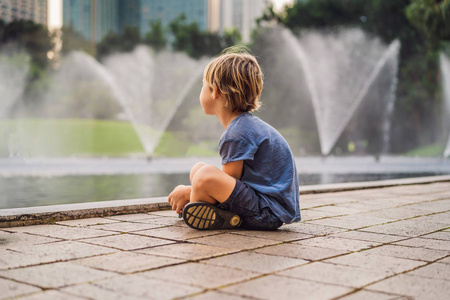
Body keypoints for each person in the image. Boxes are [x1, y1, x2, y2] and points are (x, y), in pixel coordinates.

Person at [168, 47, 300, 230]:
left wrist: (188, 191)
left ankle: (209, 213)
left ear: (216, 91)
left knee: (204, 176)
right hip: (266, 206)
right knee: (199, 170)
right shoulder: (245, 126)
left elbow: (230, 182)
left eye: (203, 85)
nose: (202, 90)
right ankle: (205, 211)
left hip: (267, 213)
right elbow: (230, 186)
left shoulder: (237, 132)